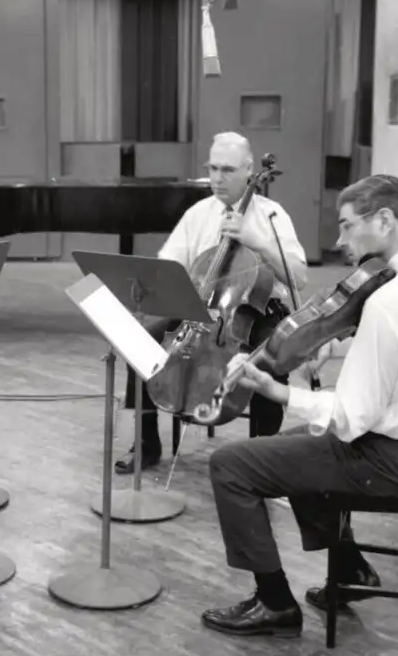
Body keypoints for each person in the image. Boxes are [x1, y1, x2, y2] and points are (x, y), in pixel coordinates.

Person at [201, 174, 398, 638]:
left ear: (385, 221)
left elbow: (350, 419)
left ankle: (274, 603)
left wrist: (276, 390)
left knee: (231, 465)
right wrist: (344, 344)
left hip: (390, 459)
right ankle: (351, 569)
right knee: (294, 452)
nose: (339, 240)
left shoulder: (392, 300)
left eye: (348, 225)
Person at [116, 131, 308, 474]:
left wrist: (259, 242)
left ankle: (264, 455)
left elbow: (298, 278)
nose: (217, 178)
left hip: (259, 309)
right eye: (213, 168)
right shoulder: (198, 214)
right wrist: (153, 285)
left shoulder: (272, 215)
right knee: (139, 343)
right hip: (200, 308)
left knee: (269, 356)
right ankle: (146, 443)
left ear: (249, 170)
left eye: (228, 170)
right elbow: (168, 266)